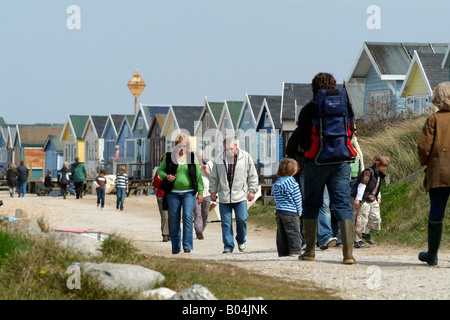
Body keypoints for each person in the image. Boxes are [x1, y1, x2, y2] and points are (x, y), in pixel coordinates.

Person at [297, 72, 356, 264]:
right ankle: (348, 254)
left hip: (315, 162)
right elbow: (352, 130)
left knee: (312, 205)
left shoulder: (308, 109)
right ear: (333, 86)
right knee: (342, 205)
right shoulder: (345, 106)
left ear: (313, 88)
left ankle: (310, 252)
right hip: (341, 162)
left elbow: (301, 137)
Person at [417, 81, 450, 266]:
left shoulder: (433, 120)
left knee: (436, 213)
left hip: (439, 172)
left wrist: (426, 163)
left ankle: (432, 254)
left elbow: (423, 147)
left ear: (438, 99)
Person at [209, 136, 259, 254]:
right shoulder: (219, 159)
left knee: (242, 219)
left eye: (231, 149)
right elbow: (214, 177)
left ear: (236, 146)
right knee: (226, 223)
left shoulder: (245, 157)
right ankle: (228, 246)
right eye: (226, 149)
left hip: (240, 196)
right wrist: (213, 192)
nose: (229, 151)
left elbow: (252, 175)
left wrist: (252, 190)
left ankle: (241, 240)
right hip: (224, 196)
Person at [158, 133, 204, 254]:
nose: (182, 148)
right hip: (173, 193)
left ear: (188, 146)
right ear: (175, 146)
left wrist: (200, 192)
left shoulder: (192, 157)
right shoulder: (169, 157)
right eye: (179, 146)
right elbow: (160, 171)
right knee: (174, 219)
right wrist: (166, 176)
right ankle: (175, 247)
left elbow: (198, 176)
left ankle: (187, 246)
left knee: (188, 217)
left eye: (184, 145)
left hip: (189, 192)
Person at [353, 154, 389, 248]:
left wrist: (379, 196)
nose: (385, 168)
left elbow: (377, 186)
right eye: (383, 166)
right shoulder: (368, 172)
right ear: (377, 164)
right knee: (362, 219)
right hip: (364, 199)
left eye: (386, 166)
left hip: (373, 199)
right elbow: (362, 186)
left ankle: (366, 233)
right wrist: (358, 199)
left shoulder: (379, 174)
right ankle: (358, 241)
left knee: (376, 218)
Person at [272, 158, 303, 257]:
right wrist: (299, 211)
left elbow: (275, 196)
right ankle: (294, 251)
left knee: (281, 233)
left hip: (279, 211)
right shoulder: (293, 183)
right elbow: (297, 199)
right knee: (293, 232)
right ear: (293, 170)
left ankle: (283, 252)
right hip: (290, 211)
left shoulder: (277, 183)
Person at [193, 150, 214, 240]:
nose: (199, 160)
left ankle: (201, 229)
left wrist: (206, 171)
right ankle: (198, 230)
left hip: (207, 192)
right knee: (197, 212)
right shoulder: (192, 164)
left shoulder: (208, 163)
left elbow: (214, 178)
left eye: (200, 158)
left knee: (205, 213)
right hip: (196, 193)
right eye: (197, 158)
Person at [152, 153, 170, 242]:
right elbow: (155, 184)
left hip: (171, 195)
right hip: (161, 196)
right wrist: (160, 180)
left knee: (171, 216)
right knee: (164, 216)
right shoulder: (159, 171)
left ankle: (170, 233)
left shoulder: (173, 170)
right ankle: (165, 234)